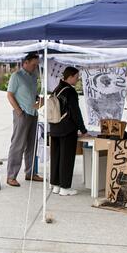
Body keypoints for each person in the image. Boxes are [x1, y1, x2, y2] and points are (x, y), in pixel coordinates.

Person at [5, 52, 43, 187]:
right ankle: (11, 176)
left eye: (36, 65)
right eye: (33, 64)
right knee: (18, 145)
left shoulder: (33, 77)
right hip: (22, 114)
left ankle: (31, 173)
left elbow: (31, 94)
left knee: (32, 145)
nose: (35, 67)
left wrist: (39, 99)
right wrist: (19, 111)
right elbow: (9, 95)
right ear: (25, 63)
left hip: (33, 113)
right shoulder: (16, 76)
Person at [49, 66, 87, 196]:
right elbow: (75, 112)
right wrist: (83, 129)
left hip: (54, 128)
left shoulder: (56, 89)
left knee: (56, 157)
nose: (77, 80)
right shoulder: (70, 91)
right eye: (76, 77)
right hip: (67, 130)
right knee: (66, 158)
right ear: (70, 77)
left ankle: (55, 185)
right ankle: (65, 187)